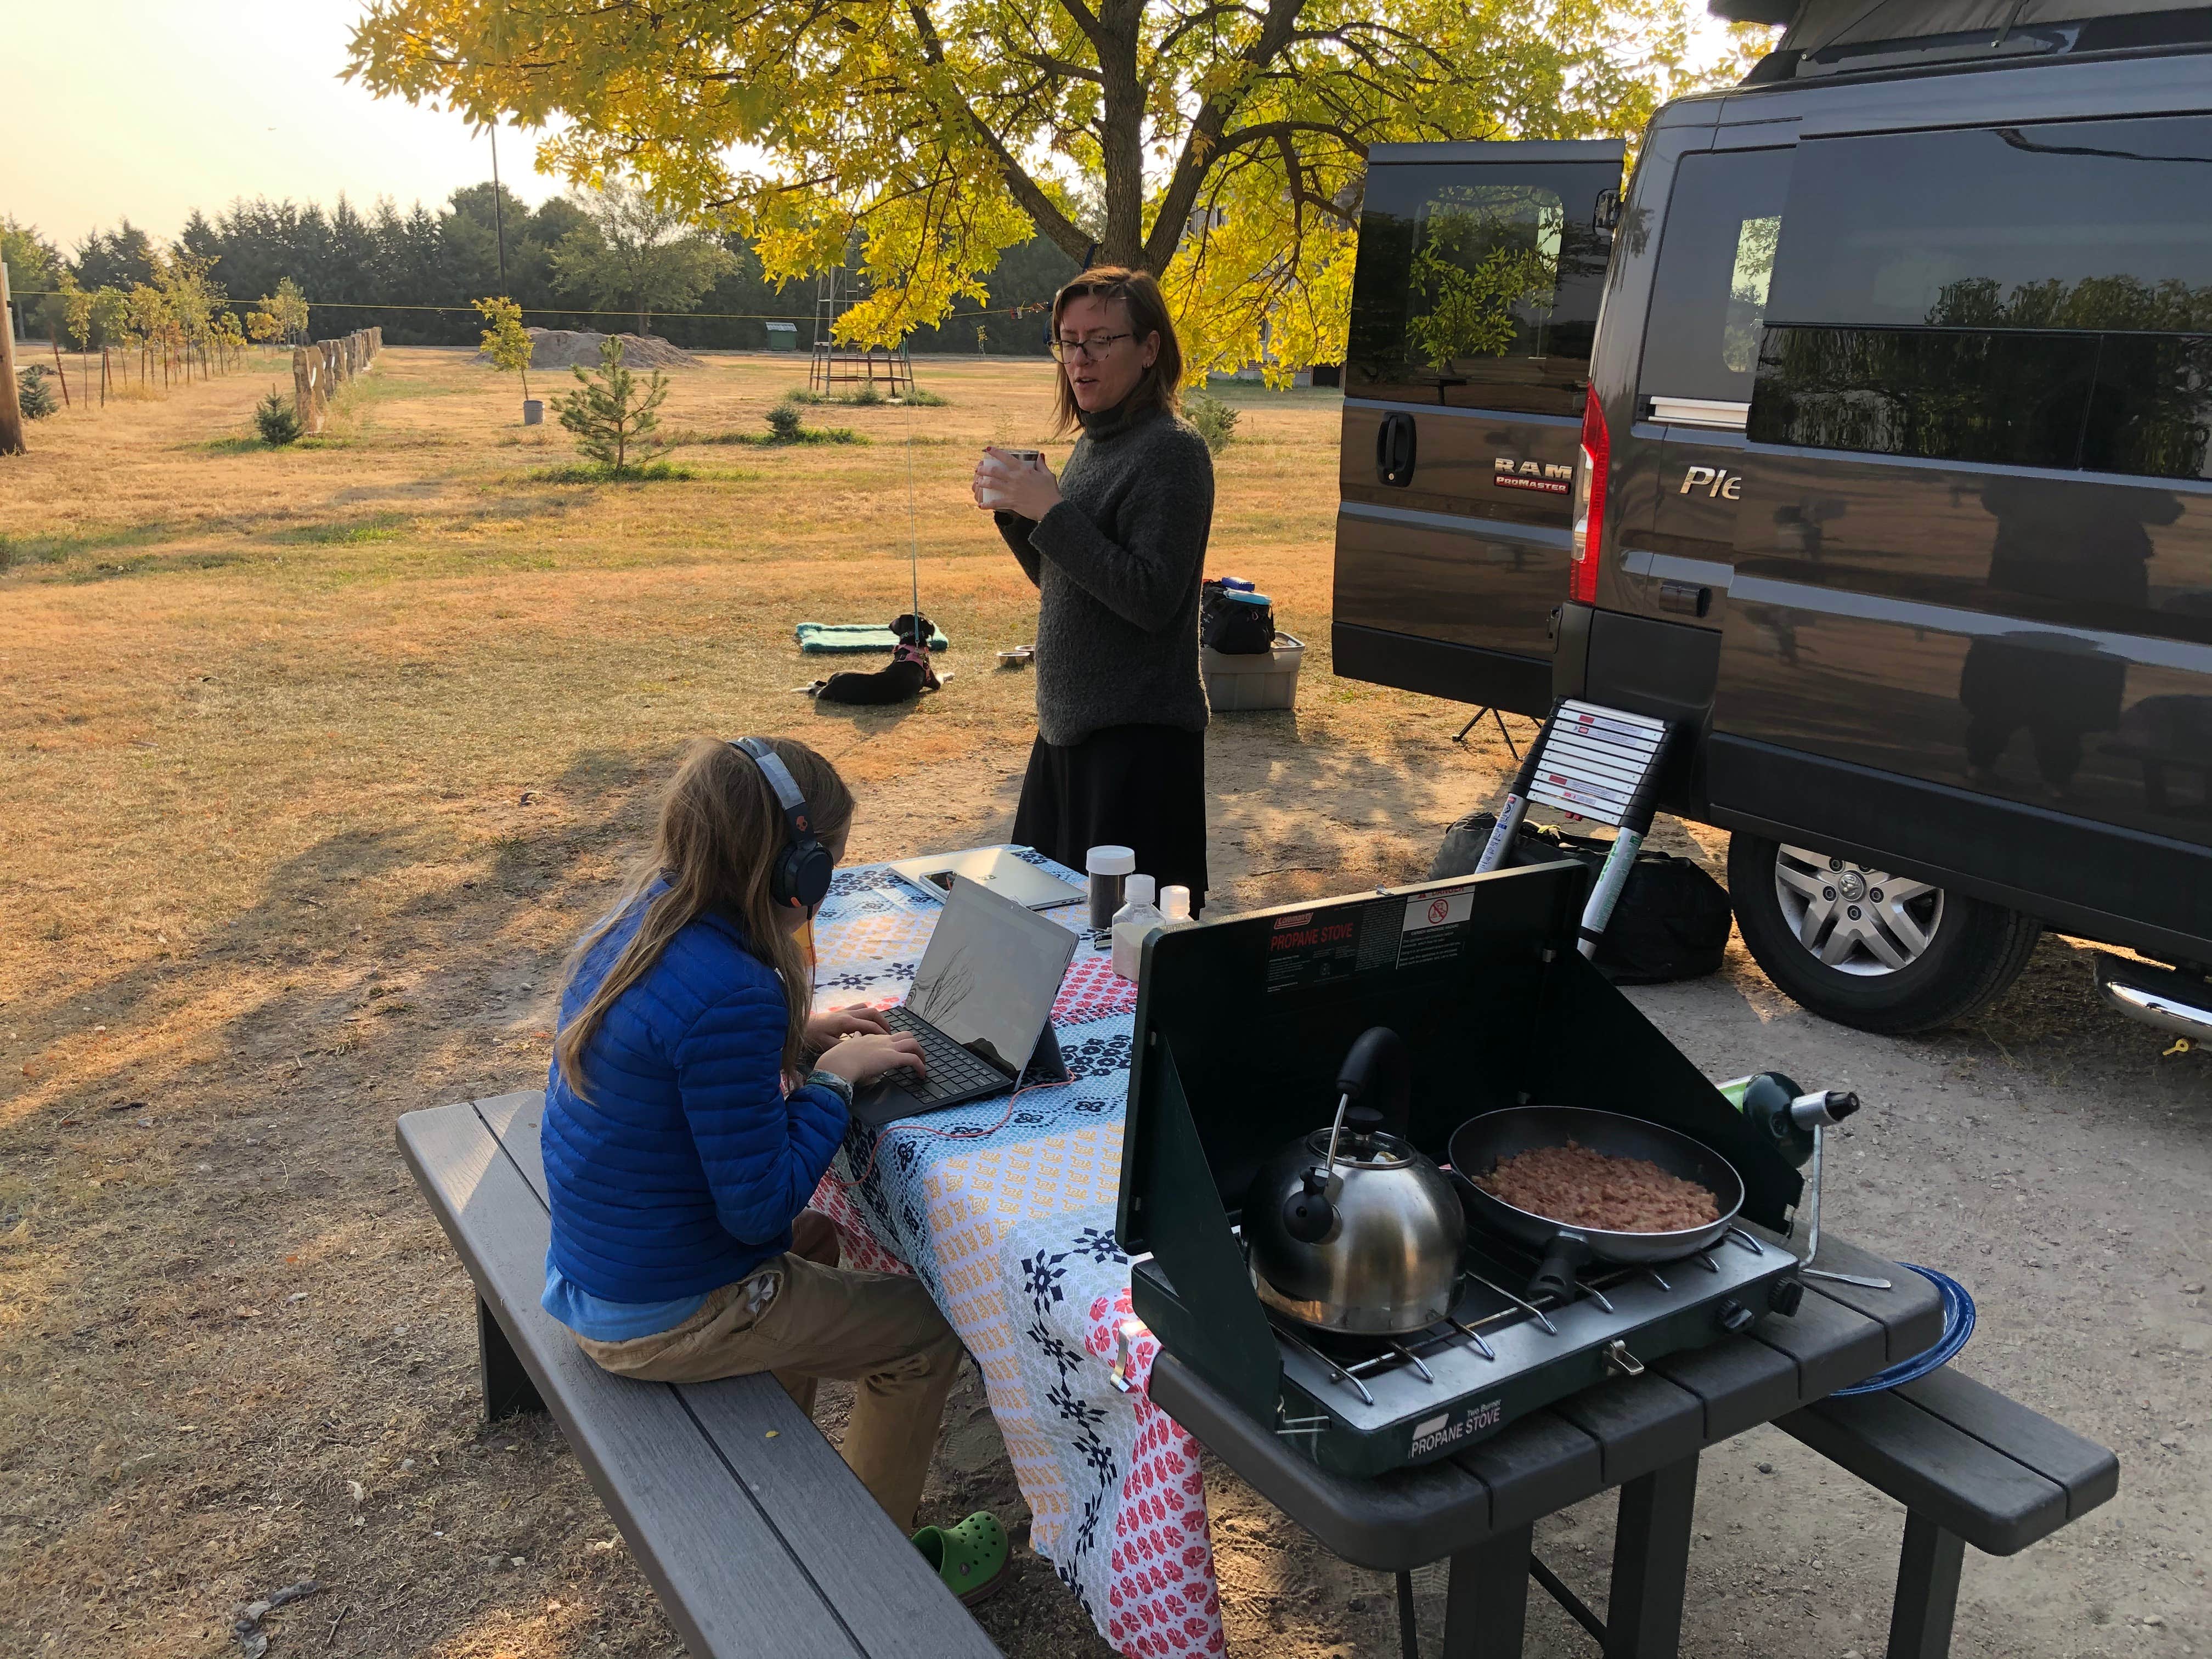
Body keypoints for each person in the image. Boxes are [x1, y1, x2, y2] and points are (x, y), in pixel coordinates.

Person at [538, 736, 1002, 1582]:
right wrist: (830, 1085)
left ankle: (784, 1471)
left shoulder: (651, 917)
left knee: (821, 1237)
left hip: (606, 1270)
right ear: (802, 874)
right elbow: (755, 1212)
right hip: (660, 1311)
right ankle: (875, 1577)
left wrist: (798, 1040)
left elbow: (683, 1062)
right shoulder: (736, 989)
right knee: (929, 1333)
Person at [973, 266, 1215, 910]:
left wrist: (1051, 513)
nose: (1079, 360)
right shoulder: (1095, 444)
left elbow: (1150, 597)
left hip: (1136, 753)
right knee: (1044, 927)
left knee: (1122, 957)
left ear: (1150, 348)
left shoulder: (1172, 450)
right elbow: (1070, 588)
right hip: (1068, 737)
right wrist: (1019, 516)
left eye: (1101, 341)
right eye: (1068, 340)